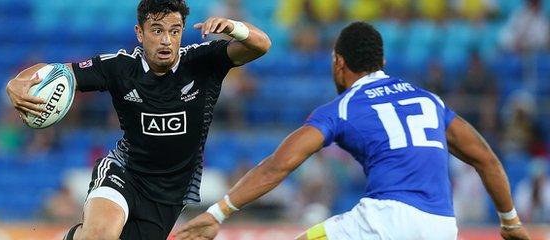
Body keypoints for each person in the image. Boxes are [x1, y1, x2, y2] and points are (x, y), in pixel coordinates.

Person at [175, 22, 530, 240]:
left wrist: (216, 213)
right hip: (441, 227)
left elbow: (278, 165)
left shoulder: (343, 107)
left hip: (385, 221)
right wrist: (510, 222)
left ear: (338, 62)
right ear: (382, 63)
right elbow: (486, 159)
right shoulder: (430, 101)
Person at [5, 0, 271, 239]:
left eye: (174, 31)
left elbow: (262, 45)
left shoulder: (204, 62)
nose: (166, 40)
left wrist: (235, 27)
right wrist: (18, 82)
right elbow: (61, 72)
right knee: (100, 236)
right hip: (125, 172)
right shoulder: (121, 68)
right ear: (140, 33)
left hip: (169, 194)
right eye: (157, 30)